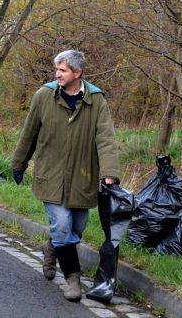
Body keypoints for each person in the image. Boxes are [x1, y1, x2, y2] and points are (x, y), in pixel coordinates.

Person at [10, 50, 120, 301]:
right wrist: (19, 163)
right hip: (51, 175)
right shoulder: (44, 96)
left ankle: (51, 247)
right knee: (62, 225)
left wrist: (110, 172)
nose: (57, 74)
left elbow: (105, 139)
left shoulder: (96, 100)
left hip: (82, 178)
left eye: (62, 70)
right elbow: (29, 133)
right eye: (56, 70)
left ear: (77, 73)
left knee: (76, 228)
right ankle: (72, 278)